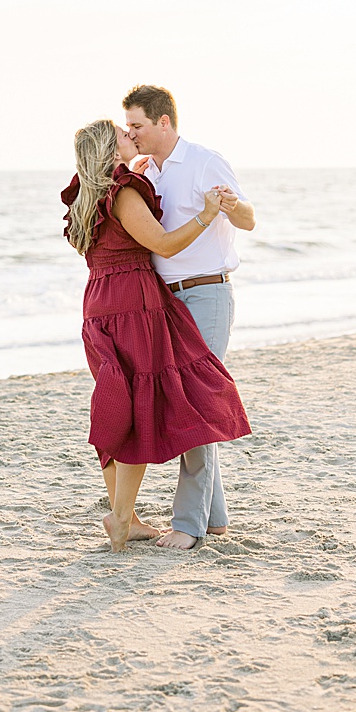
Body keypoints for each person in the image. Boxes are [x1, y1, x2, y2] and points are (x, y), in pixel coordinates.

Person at [61, 118, 250, 551]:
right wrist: (205, 215)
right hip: (133, 307)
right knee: (139, 406)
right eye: (125, 135)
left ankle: (135, 517)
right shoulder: (123, 192)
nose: (133, 137)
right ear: (111, 152)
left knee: (114, 402)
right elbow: (162, 245)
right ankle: (123, 520)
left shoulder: (86, 195)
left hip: (99, 307)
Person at [120, 84, 255, 550]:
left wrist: (232, 207)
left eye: (137, 125)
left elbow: (250, 219)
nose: (131, 133)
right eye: (128, 126)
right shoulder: (143, 171)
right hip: (165, 301)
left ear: (163, 122)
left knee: (195, 405)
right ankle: (214, 517)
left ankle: (189, 526)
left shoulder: (203, 160)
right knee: (186, 402)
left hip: (207, 295)